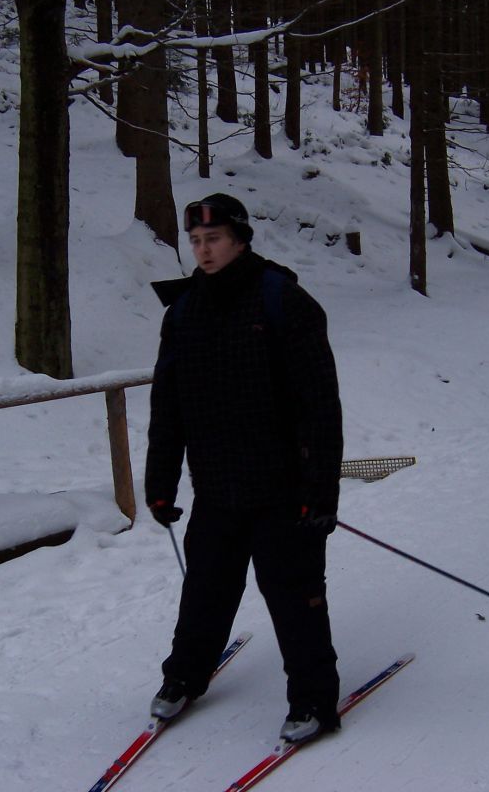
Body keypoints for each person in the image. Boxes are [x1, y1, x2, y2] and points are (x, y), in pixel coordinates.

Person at [144, 192, 344, 744]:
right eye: (195, 241)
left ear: (239, 239)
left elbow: (320, 406)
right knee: (204, 590)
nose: (203, 251)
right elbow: (169, 406)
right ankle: (185, 675)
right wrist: (160, 483)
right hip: (217, 488)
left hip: (284, 491)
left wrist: (320, 493)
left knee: (294, 595)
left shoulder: (284, 301)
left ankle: (313, 699)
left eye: (213, 239)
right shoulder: (183, 313)